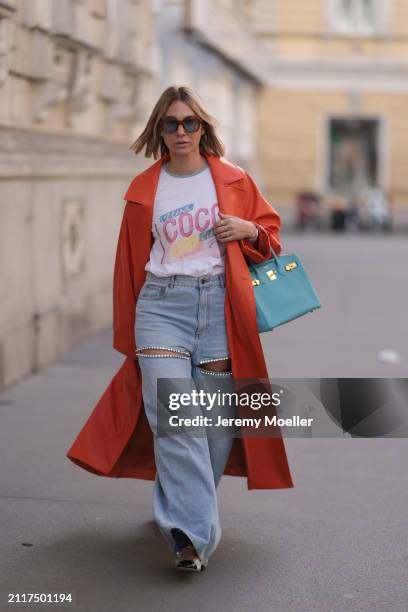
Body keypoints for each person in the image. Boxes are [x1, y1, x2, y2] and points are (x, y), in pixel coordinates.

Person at [66, 84, 294, 574]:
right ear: (159, 131)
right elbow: (129, 262)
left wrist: (249, 231)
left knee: (211, 430)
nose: (182, 131)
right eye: (172, 123)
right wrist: (127, 323)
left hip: (218, 307)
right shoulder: (145, 189)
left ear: (204, 128)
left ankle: (182, 511)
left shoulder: (233, 180)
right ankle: (190, 536)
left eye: (191, 123)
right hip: (160, 308)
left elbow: (271, 237)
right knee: (177, 420)